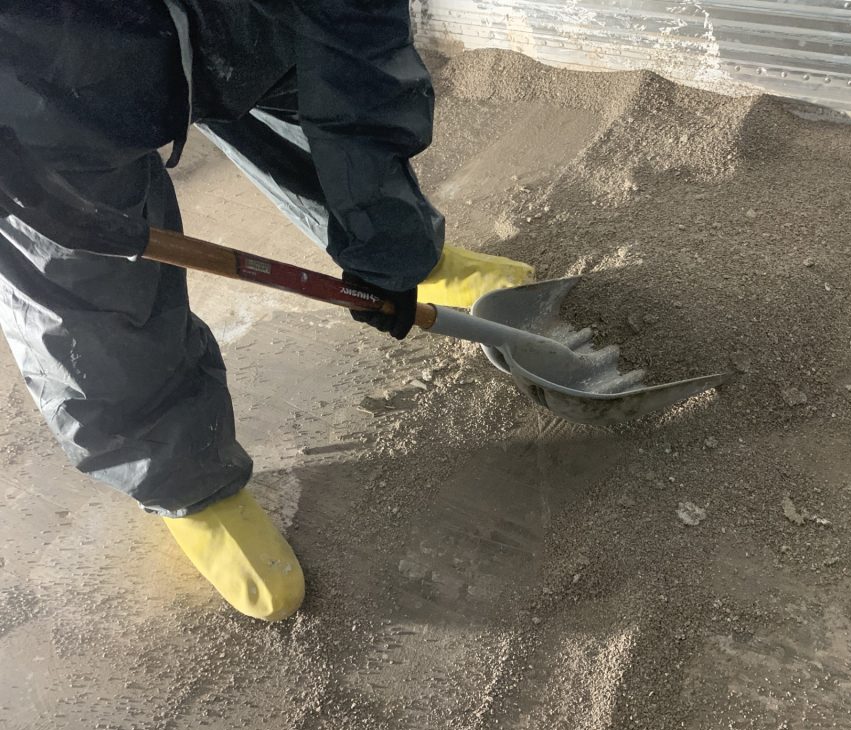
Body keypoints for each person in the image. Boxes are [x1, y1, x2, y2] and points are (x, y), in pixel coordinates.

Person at [0, 2, 526, 621]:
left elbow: (355, 37)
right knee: (86, 290)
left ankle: (405, 258)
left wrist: (386, 243)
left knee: (313, 82)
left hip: (241, 20)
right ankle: (179, 474)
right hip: (31, 76)